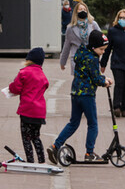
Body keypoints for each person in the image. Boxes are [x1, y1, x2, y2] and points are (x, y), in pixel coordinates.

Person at [48, 30, 114, 163]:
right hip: (87, 95)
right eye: (102, 49)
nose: (103, 52)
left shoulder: (81, 53)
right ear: (94, 47)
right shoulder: (93, 59)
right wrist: (104, 81)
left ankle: (56, 145)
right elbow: (95, 78)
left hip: (75, 93)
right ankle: (89, 153)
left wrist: (102, 78)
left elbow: (88, 73)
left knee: (73, 122)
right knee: (93, 124)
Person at [8, 48, 50, 163]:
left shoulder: (24, 72)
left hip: (27, 110)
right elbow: (46, 85)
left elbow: (16, 88)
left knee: (26, 137)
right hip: (40, 112)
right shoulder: (42, 75)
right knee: (36, 137)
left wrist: (10, 87)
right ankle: (42, 160)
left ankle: (30, 161)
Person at [59, 2, 100, 74]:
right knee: (79, 83)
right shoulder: (70, 28)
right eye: (80, 9)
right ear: (76, 11)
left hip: (91, 58)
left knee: (91, 82)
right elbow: (66, 46)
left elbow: (101, 39)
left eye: (84, 9)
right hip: (77, 60)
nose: (83, 11)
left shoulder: (93, 24)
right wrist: (63, 62)